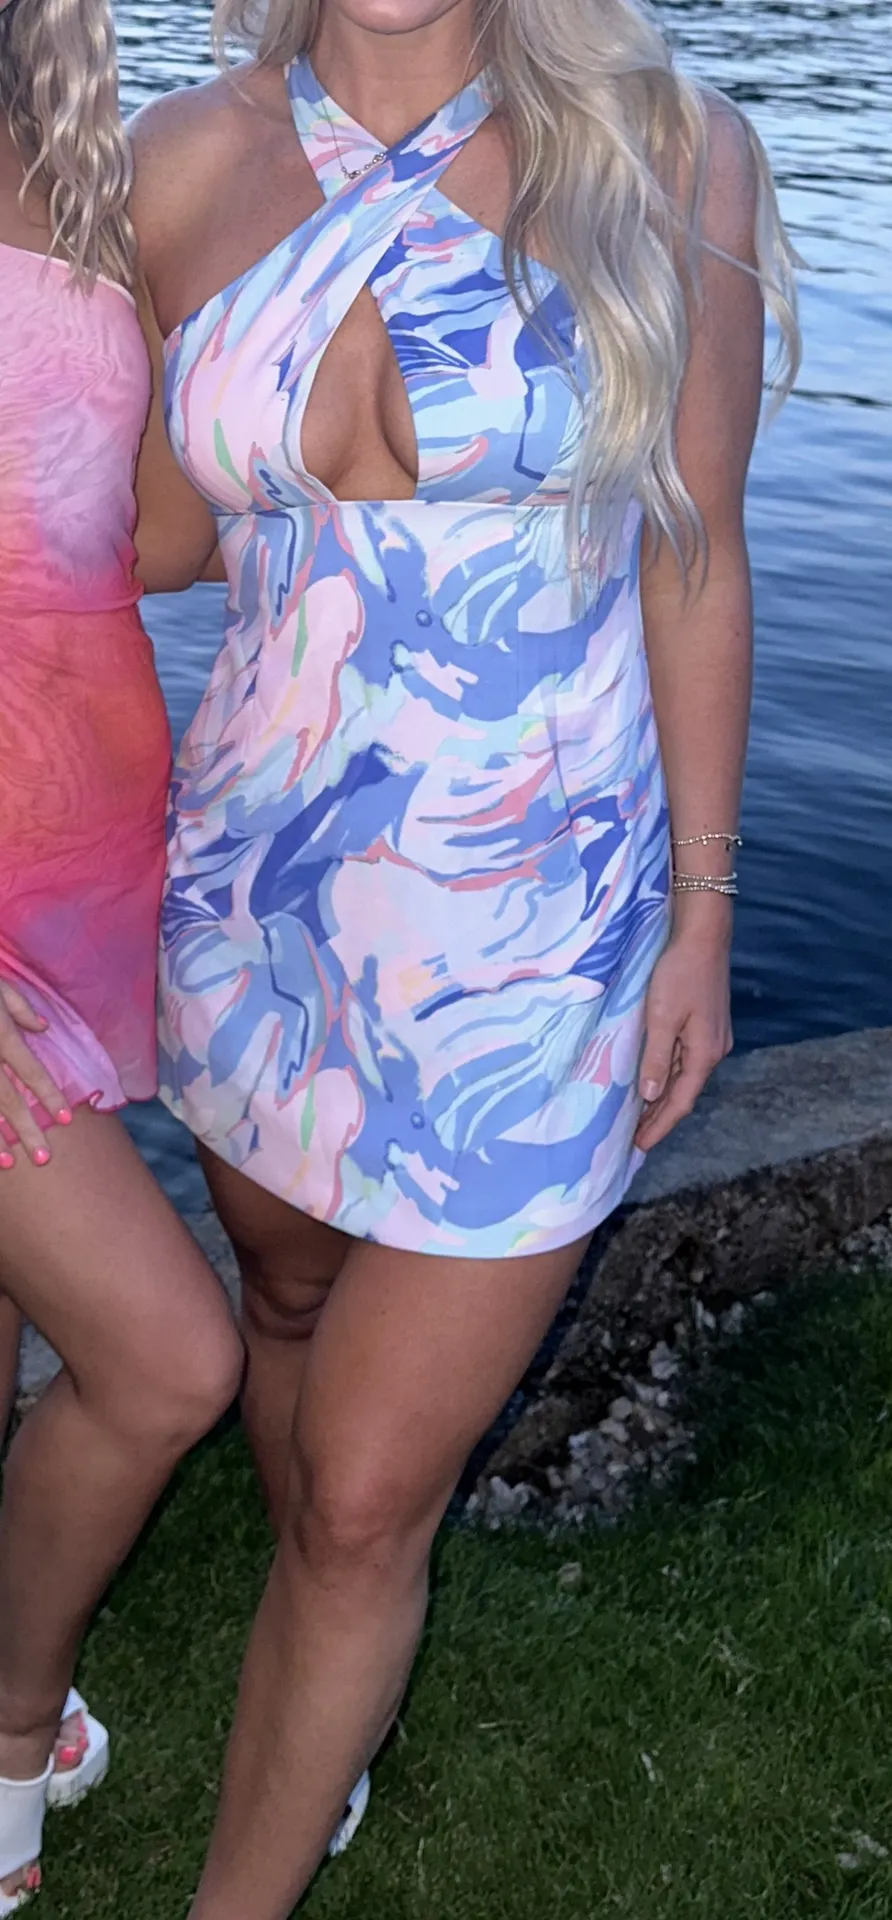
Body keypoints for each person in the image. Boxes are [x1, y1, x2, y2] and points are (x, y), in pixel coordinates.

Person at [130, 0, 800, 1912]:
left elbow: (695, 556)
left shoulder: (665, 149)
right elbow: (150, 540)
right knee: (282, 1303)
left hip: (537, 936)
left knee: (362, 1497)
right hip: (258, 904)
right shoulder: (176, 164)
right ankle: (319, 1668)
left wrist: (704, 910)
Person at [0, 0, 245, 1907]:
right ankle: (6, 1746)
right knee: (169, 1360)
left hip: (85, 867)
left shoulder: (90, 163)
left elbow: (148, 540)